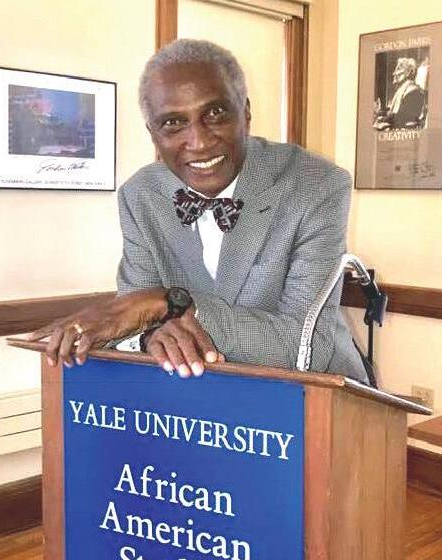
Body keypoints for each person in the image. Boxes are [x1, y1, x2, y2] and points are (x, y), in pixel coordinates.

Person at [29, 39, 368, 384]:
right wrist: (151, 336)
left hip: (320, 399)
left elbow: (306, 346)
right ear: (153, 134)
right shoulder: (140, 195)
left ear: (246, 113)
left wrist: (169, 304)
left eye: (216, 114)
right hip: (202, 399)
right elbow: (132, 316)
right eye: (173, 123)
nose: (200, 142)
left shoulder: (316, 184)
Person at [374, 57, 425, 131]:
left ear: (409, 72)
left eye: (399, 68)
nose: (394, 73)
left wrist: (385, 119)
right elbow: (396, 112)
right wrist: (382, 115)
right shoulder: (401, 90)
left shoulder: (414, 91)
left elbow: (405, 116)